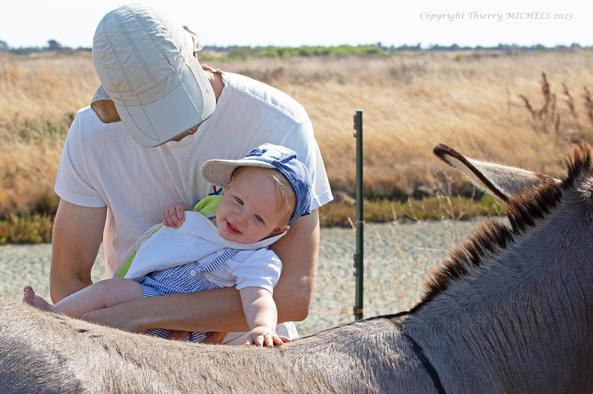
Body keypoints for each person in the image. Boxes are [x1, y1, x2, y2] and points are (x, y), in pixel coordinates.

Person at [50, 4, 332, 344]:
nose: (175, 128)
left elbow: (292, 295)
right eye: (149, 111)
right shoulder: (91, 132)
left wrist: (142, 314)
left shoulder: (278, 121)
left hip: (250, 354)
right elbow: (69, 277)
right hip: (131, 351)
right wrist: (125, 337)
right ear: (113, 99)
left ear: (196, 54)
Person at [27, 144, 311, 347]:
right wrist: (179, 217)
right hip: (151, 292)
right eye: (238, 201)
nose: (241, 217)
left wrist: (262, 327)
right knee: (107, 289)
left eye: (258, 218)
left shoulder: (254, 259)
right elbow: (180, 236)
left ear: (277, 231)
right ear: (226, 190)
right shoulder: (203, 218)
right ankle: (54, 316)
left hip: (188, 324)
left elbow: (259, 297)